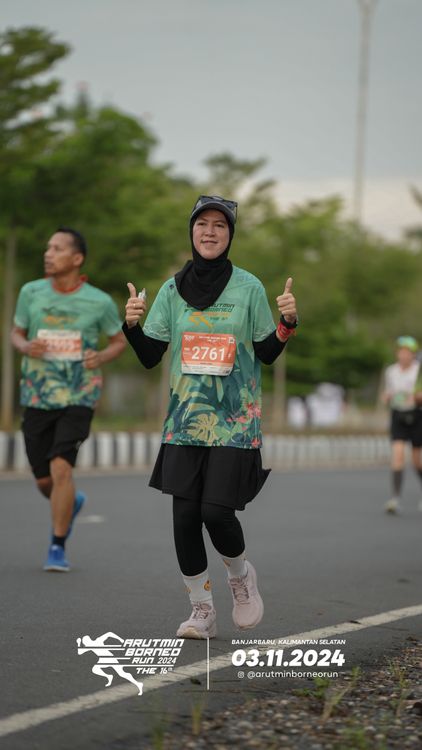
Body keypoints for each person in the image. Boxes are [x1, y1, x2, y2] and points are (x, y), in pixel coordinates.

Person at [123, 195, 297, 638]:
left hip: (235, 422)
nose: (210, 231)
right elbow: (150, 355)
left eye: (220, 225)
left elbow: (266, 351)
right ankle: (201, 610)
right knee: (184, 518)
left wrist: (287, 323)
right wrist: (132, 327)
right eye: (203, 224)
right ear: (192, 232)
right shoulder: (171, 290)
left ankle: (241, 577)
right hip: (184, 422)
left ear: (230, 235)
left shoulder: (249, 287)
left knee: (216, 512)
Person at [11, 227, 126, 571]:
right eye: (48, 248)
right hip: (38, 393)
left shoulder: (99, 301)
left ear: (77, 259)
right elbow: (16, 333)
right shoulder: (30, 292)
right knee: (44, 479)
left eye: (57, 248)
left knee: (62, 467)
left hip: (79, 393)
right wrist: (25, 346)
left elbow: (118, 341)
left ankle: (57, 546)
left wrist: (100, 357)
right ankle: (70, 501)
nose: (48, 254)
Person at [381, 336, 422, 514]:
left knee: (417, 461)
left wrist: (418, 398)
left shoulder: (418, 371)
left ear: (413, 354)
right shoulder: (391, 371)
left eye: (408, 352)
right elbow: (389, 392)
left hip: (416, 415)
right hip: (398, 415)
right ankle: (395, 498)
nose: (404, 355)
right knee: (397, 455)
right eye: (401, 352)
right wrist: (387, 397)